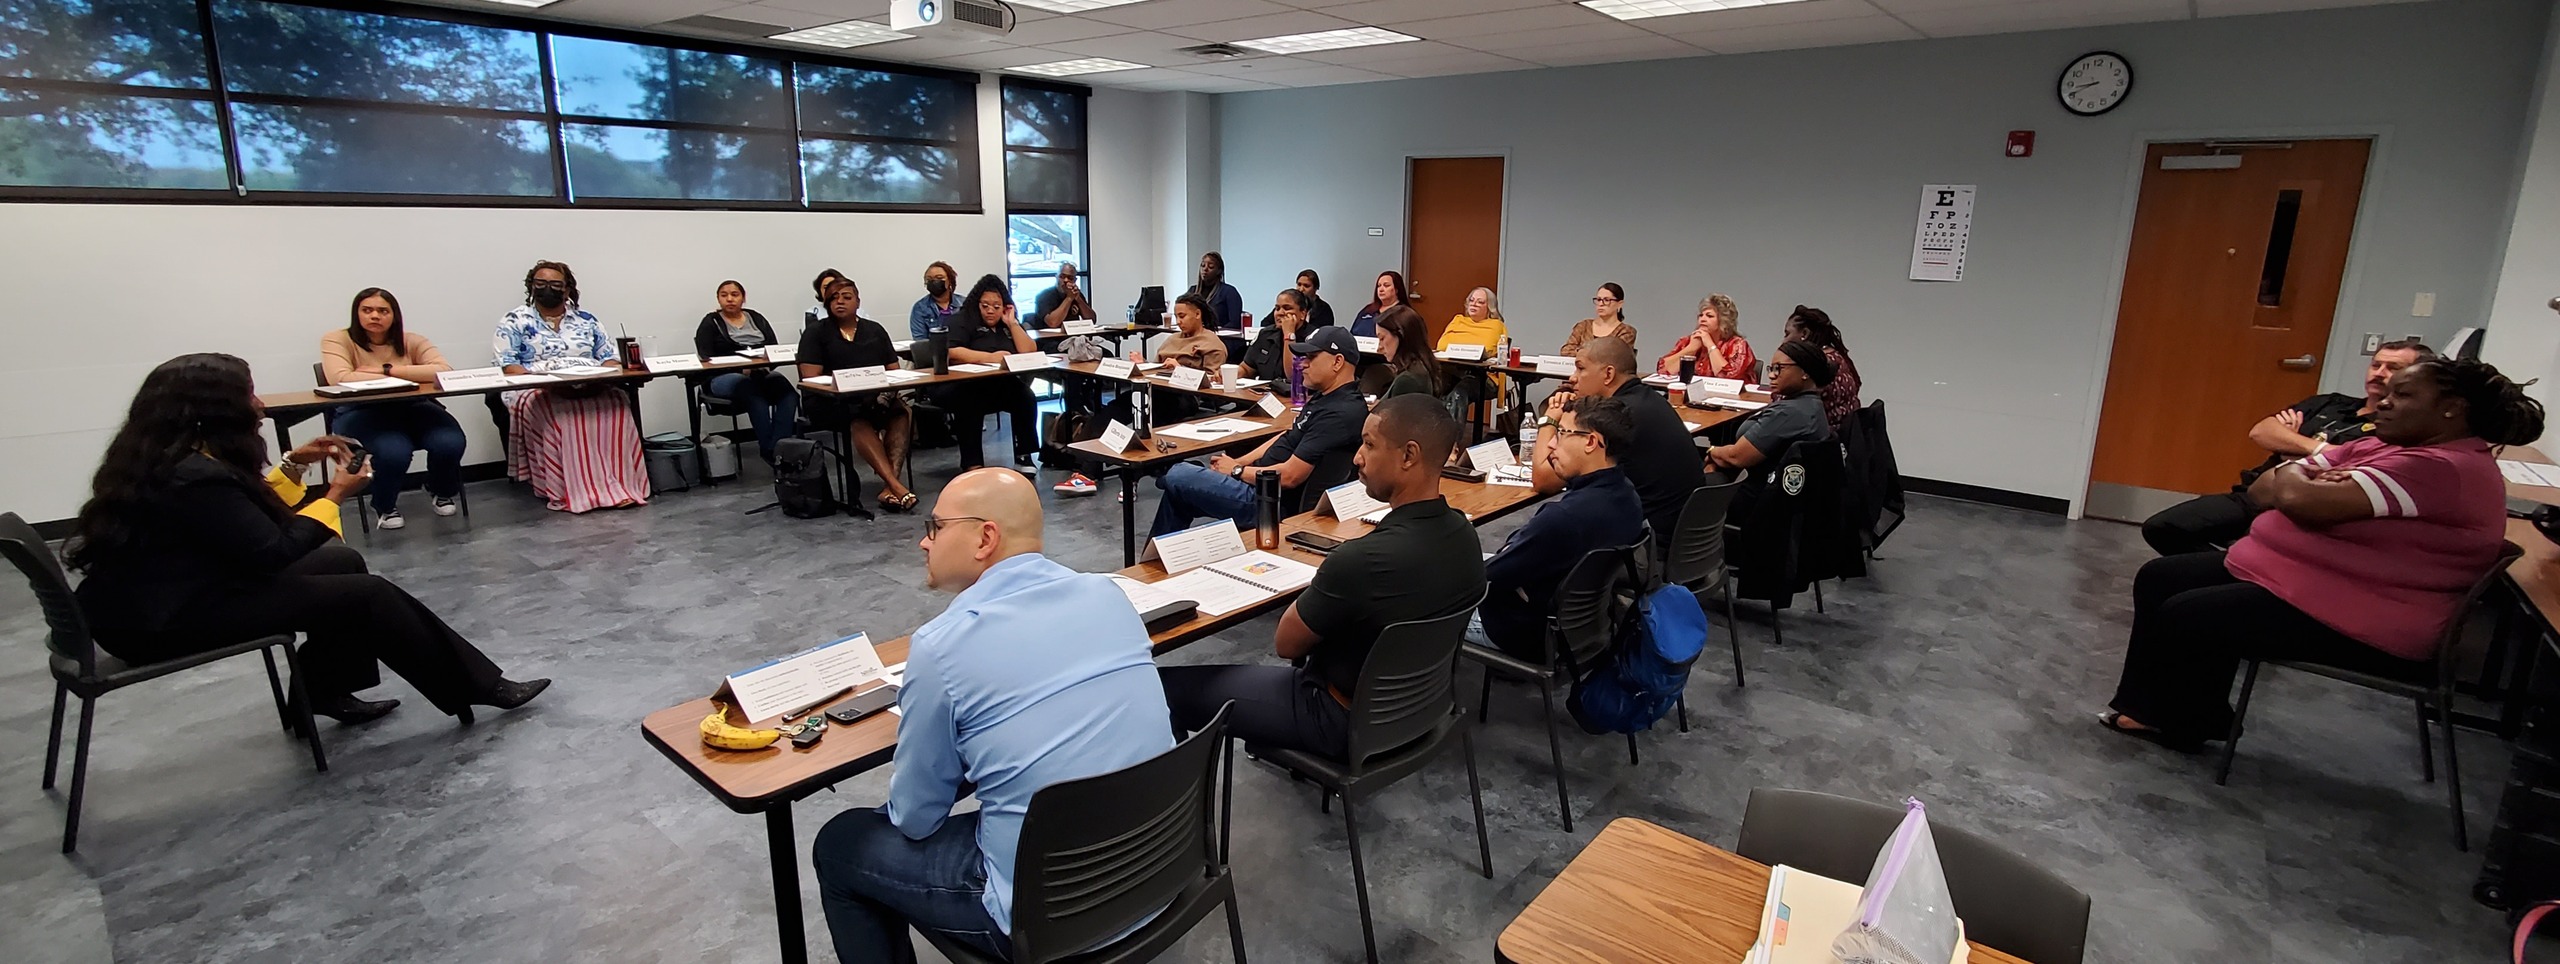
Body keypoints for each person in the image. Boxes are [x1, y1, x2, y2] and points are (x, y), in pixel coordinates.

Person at [67, 353, 548, 725]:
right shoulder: (194, 475)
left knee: (341, 562)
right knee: (367, 594)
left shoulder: (171, 458)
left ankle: (323, 693)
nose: (258, 405)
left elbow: (239, 522)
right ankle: (479, 686)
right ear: (212, 411)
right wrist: (335, 494)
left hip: (160, 597)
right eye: (248, 395)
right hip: (163, 622)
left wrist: (294, 466)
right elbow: (272, 551)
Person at [813, 468, 1172, 963]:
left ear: (985, 538)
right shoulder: (1107, 593)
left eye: (936, 527)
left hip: (1050, 916)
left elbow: (916, 818)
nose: (923, 541)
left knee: (841, 843)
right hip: (1159, 869)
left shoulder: (941, 647)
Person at [2099, 357, 2542, 752]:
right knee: (2163, 577)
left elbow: (2300, 502)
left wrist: (2300, 480)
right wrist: (2302, 479)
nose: (2384, 403)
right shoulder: (2387, 445)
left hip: (2372, 616)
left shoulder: (2440, 468)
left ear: (2452, 409)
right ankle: (2152, 710)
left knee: (2191, 614)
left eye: (2403, 395)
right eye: (2387, 392)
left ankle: (2188, 724)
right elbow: (2262, 490)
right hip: (2321, 584)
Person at [1159, 395, 1484, 757]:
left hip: (1338, 721)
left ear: (1409, 455)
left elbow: (1287, 645)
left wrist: (1330, 586)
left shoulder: (1361, 560)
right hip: (1421, 712)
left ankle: (1173, 794)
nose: (1357, 457)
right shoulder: (1465, 536)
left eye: (1369, 445)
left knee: (1158, 689)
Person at [2141, 339, 2431, 556]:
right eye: (2376, 365)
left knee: (2251, 552)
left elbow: (2354, 469)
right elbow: (2262, 432)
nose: (2379, 373)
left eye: (2393, 368)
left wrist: (2293, 445)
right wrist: (2319, 450)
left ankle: (2235, 574)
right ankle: (2230, 570)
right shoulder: (2330, 403)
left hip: (2299, 510)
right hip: (2252, 495)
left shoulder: (2395, 428)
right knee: (2162, 528)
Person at [1467, 395, 1646, 661]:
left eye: (1561, 433)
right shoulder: (1628, 496)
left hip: (1527, 633)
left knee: (1426, 591)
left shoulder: (1564, 518)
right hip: (1586, 628)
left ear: (1591, 442)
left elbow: (1487, 577)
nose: (1551, 443)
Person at [1150, 326, 1366, 537]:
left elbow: (1290, 477)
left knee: (1179, 473)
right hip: (1257, 483)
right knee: (1178, 491)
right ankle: (1156, 559)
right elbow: (1288, 436)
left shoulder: (1340, 413)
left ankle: (1163, 479)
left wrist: (1237, 471)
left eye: (1311, 357)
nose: (1303, 364)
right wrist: (1241, 461)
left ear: (1337, 362)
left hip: (1270, 502)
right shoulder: (1327, 397)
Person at [494, 260, 649, 513]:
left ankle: (620, 485)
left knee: (617, 404)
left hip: (588, 383)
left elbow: (609, 358)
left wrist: (600, 376)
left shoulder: (587, 320)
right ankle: (574, 491)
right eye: (541, 283)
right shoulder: (514, 320)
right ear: (531, 286)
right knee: (564, 416)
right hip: (539, 387)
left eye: (555, 284)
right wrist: (549, 383)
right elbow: (509, 365)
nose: (547, 288)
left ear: (567, 289)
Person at [1532, 337, 1705, 540]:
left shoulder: (1618, 416)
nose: (1573, 377)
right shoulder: (1650, 399)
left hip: (1647, 541)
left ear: (1608, 374)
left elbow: (1544, 480)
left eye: (1581, 368)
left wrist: (1550, 418)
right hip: (1684, 531)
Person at [320, 287, 462, 529]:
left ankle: (440, 490)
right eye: (367, 310)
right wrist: (412, 374)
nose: (375, 316)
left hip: (414, 407)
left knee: (450, 441)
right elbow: (341, 377)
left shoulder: (412, 340)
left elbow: (443, 371)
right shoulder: (337, 339)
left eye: (383, 311)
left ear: (394, 315)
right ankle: (384, 505)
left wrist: (386, 370)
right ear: (356, 313)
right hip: (360, 411)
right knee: (394, 451)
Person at [798, 279, 918, 512]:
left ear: (858, 301)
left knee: (901, 413)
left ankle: (889, 487)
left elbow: (893, 370)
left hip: (872, 397)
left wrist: (883, 391)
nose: (840, 302)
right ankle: (896, 486)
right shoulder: (816, 333)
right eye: (834, 298)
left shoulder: (874, 330)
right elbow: (811, 378)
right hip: (829, 401)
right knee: (858, 418)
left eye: (846, 297)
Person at [1706, 340, 1836, 519]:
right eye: (1771, 368)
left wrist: (1712, 451)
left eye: (1779, 368)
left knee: (1688, 478)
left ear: (1805, 372)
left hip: (1759, 503)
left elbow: (1737, 457)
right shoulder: (1810, 405)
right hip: (1778, 498)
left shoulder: (1789, 414)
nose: (1772, 375)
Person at [936, 274, 1043, 471]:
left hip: (997, 383)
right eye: (985, 306)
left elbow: (1029, 351)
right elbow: (952, 351)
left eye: (996, 306)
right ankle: (972, 463)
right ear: (977, 304)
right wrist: (991, 357)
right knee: (969, 403)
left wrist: (1012, 323)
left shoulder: (1006, 324)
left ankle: (1024, 455)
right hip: (962, 385)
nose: (990, 310)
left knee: (1025, 396)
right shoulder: (962, 320)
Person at [694, 279, 801, 465]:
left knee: (788, 393)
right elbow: (705, 357)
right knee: (753, 393)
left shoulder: (756, 318)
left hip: (759, 372)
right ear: (718, 299)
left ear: (743, 298)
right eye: (724, 295)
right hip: (722, 377)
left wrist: (763, 365)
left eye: (734, 295)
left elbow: (774, 348)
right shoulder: (711, 322)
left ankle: (778, 446)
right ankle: (769, 451)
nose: (729, 299)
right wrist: (739, 367)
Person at [1785, 305, 1862, 433]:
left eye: (1787, 334)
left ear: (1804, 334)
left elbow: (1783, 403)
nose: (1784, 341)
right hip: (1842, 435)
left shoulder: (1814, 364)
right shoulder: (1837, 356)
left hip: (1819, 437)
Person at [1655, 293, 1757, 383]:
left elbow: (1727, 377)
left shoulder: (1738, 345)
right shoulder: (1687, 341)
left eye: (1709, 316)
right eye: (1701, 315)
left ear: (1723, 320)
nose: (1702, 319)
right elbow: (1663, 371)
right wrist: (1691, 349)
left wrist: (1710, 344)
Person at [1236, 288, 1310, 381]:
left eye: (1287, 308)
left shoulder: (1312, 339)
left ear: (1303, 314)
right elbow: (1247, 369)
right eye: (1277, 308)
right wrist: (1232, 373)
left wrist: (1289, 334)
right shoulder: (1265, 334)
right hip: (1264, 389)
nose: (1280, 313)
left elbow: (1293, 377)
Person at [1375, 306, 1447, 400]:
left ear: (1401, 336)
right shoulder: (1422, 367)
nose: (1379, 348)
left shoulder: (1408, 380)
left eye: (1382, 338)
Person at [1560, 283, 1639, 357]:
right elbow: (1566, 351)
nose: (1601, 304)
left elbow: (1613, 356)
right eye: (1598, 299)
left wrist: (1581, 352)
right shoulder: (1583, 326)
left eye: (1607, 300)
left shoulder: (1626, 332)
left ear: (1620, 304)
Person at [1186, 251, 1246, 334]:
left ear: (1219, 271)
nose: (1205, 269)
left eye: (1211, 267)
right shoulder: (1192, 291)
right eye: (1203, 265)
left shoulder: (1229, 292)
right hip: (1194, 336)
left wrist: (1212, 332)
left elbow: (1235, 323)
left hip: (1220, 337)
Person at [910, 261, 961, 341]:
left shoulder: (964, 304)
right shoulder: (920, 308)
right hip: (933, 348)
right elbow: (920, 340)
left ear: (950, 280)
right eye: (929, 279)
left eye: (939, 278)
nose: (934, 282)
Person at [1350, 270, 1409, 338]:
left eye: (1386, 285)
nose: (1381, 289)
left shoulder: (1404, 313)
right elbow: (1352, 334)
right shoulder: (1368, 310)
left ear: (1396, 289)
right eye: (1379, 286)